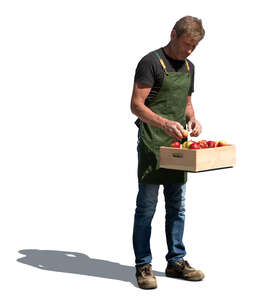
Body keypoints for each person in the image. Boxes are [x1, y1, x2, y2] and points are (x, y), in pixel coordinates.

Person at [130, 16, 205, 289]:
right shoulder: (150, 62)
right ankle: (143, 265)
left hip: (178, 147)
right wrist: (163, 123)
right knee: (147, 207)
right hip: (152, 143)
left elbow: (186, 103)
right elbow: (136, 105)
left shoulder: (189, 67)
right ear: (173, 34)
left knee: (177, 207)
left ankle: (176, 261)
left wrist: (194, 119)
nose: (189, 51)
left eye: (193, 47)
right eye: (186, 44)